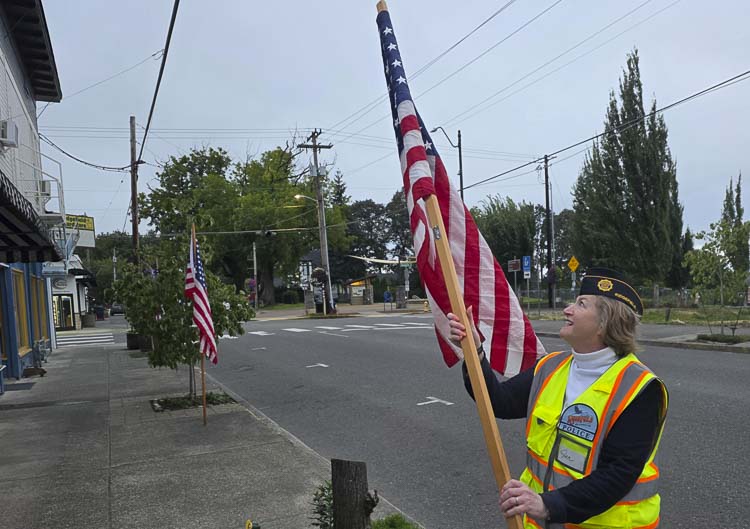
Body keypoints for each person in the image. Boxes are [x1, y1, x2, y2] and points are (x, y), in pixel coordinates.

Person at [448, 268, 668, 528]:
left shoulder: (641, 388)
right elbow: (500, 401)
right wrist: (475, 352)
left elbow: (618, 474)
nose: (567, 309)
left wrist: (548, 505)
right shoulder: (551, 367)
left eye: (581, 304)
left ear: (605, 323)